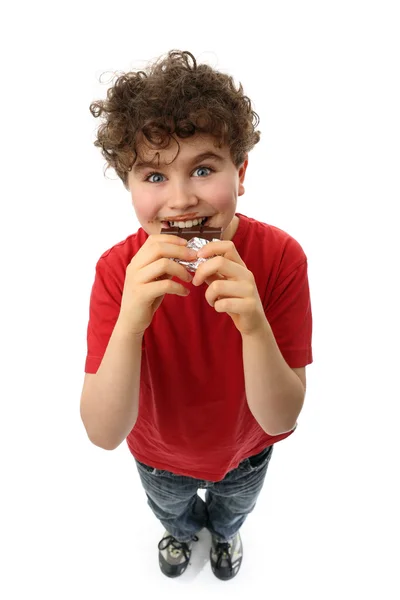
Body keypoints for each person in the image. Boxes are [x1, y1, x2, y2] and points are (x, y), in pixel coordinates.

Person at [80, 49, 313, 581]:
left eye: (203, 169)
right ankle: (182, 538)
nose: (181, 200)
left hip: (246, 453)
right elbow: (101, 431)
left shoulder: (280, 258)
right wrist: (130, 322)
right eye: (155, 177)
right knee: (172, 513)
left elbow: (282, 418)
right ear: (129, 186)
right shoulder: (117, 272)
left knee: (233, 513)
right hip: (158, 456)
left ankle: (226, 538)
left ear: (241, 171)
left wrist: (253, 322)